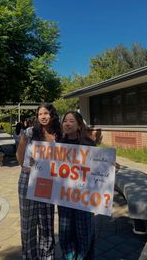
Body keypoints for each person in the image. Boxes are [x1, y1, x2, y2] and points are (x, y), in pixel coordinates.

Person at [16, 103, 62, 260]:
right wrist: (25, 167)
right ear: (37, 117)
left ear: (52, 115)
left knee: (46, 222)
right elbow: (19, 153)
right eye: (40, 114)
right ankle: (29, 256)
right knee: (28, 223)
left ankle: (47, 255)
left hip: (49, 182)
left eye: (46, 113)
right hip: (28, 180)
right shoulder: (29, 132)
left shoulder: (58, 134)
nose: (43, 116)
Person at [58, 111, 96, 260]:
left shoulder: (88, 144)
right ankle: (68, 257)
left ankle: (83, 257)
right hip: (64, 196)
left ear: (79, 125)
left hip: (83, 198)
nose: (67, 123)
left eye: (71, 121)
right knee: (65, 232)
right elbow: (50, 168)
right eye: (65, 121)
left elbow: (98, 168)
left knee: (84, 232)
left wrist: (110, 166)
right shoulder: (58, 145)